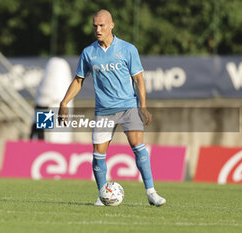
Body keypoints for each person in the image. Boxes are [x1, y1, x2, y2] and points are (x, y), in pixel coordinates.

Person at [58, 9, 166, 206]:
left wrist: (142, 106)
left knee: (139, 148)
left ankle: (151, 192)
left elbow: (139, 80)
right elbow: (78, 80)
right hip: (104, 111)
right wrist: (64, 103)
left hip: (128, 107)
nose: (98, 30)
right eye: (95, 26)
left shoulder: (127, 49)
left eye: (102, 25)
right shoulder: (89, 52)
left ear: (111, 25)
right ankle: (102, 194)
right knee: (98, 154)